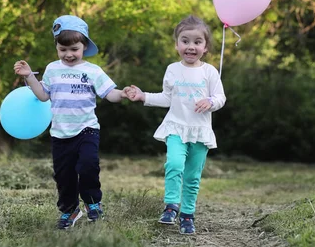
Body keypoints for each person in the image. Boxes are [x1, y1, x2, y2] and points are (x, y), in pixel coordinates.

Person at [14, 15, 128, 230]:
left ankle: (93, 203)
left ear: (84, 46)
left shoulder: (93, 71)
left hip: (87, 129)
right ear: (57, 47)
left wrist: (124, 93)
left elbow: (109, 93)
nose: (68, 54)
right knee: (64, 176)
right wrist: (29, 76)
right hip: (60, 133)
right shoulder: (52, 69)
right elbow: (43, 95)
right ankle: (70, 210)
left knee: (88, 166)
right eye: (62, 49)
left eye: (74, 49)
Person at [125, 15, 226, 235]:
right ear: (177, 44)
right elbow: (167, 98)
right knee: (174, 165)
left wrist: (210, 101)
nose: (191, 46)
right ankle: (171, 206)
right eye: (185, 41)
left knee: (192, 176)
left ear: (205, 47)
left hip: (200, 132)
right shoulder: (172, 69)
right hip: (176, 127)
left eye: (197, 42)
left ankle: (188, 215)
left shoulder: (209, 72)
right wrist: (143, 96)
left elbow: (221, 98)